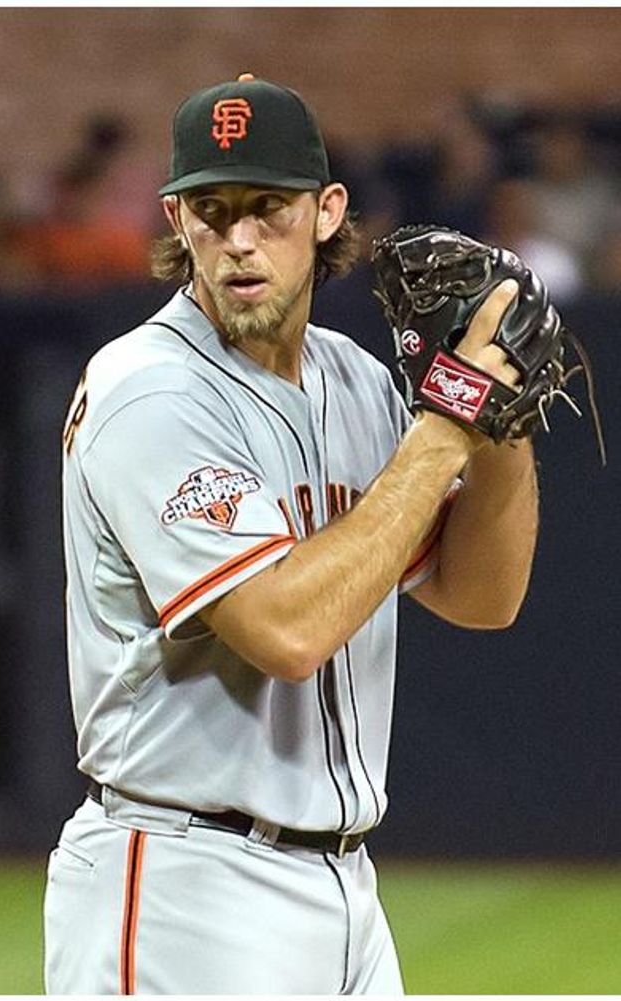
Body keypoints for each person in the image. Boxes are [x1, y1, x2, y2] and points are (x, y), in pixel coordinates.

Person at [44, 74, 539, 995]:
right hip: (186, 885)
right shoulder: (148, 390)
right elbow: (287, 632)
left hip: (346, 887)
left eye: (268, 207)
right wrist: (444, 427)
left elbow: (484, 596)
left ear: (326, 212)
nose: (238, 240)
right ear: (174, 217)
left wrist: (500, 424)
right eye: (211, 209)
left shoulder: (353, 381)